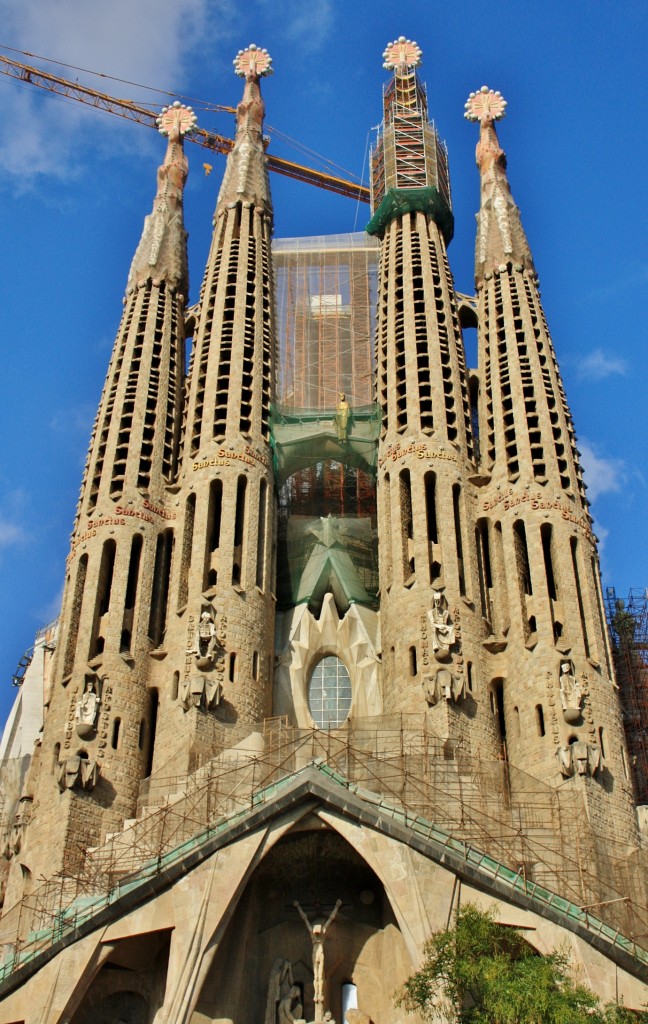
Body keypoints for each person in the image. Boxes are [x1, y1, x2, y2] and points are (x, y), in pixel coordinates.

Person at [294, 900, 342, 1017]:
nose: (316, 933)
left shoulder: (322, 933)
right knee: (316, 976)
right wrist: (298, 907)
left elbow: (330, 919)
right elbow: (305, 919)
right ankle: (317, 994)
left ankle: (319, 994)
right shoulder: (313, 933)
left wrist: (336, 907)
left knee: (319, 976)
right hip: (316, 953)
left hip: (319, 952)